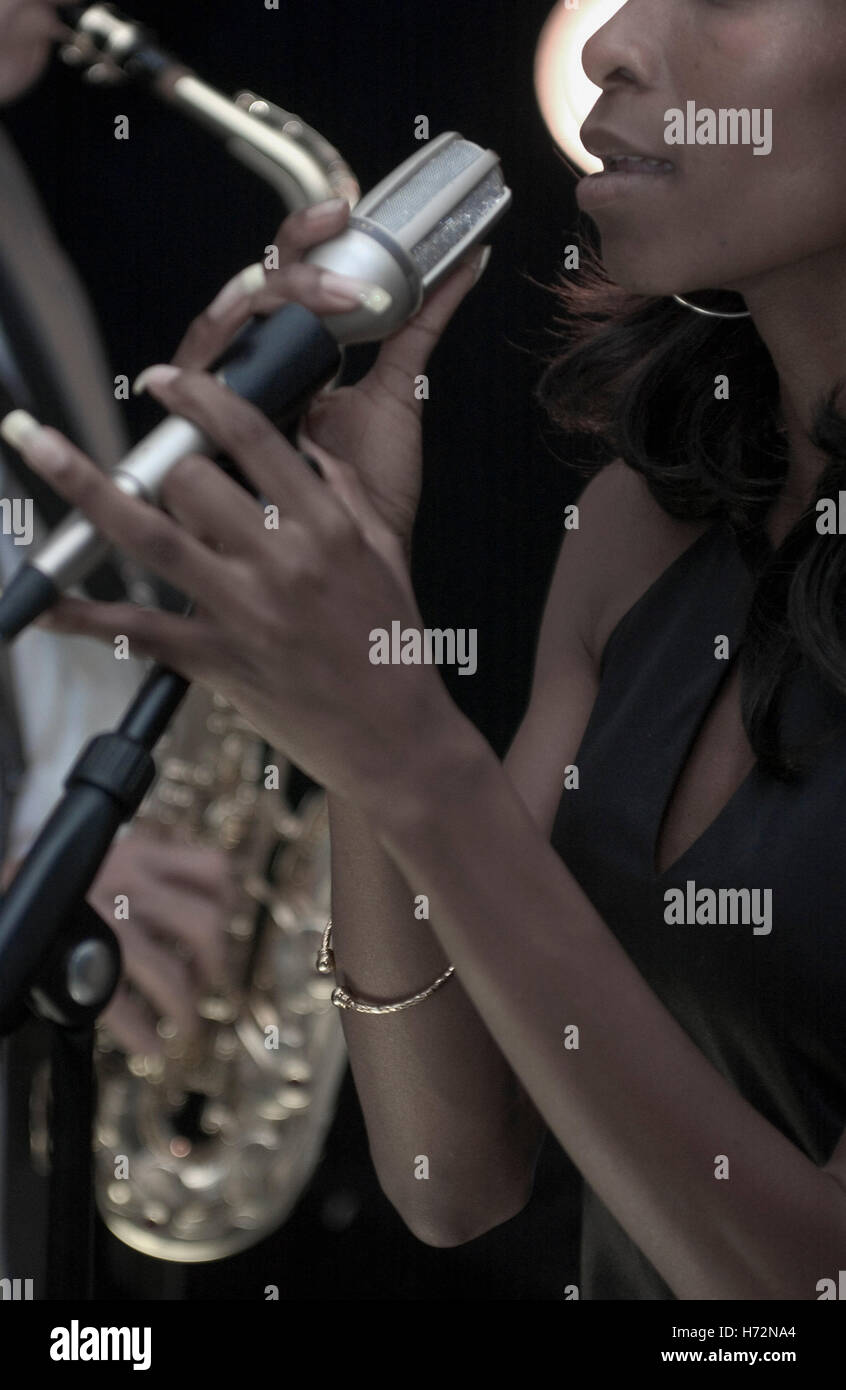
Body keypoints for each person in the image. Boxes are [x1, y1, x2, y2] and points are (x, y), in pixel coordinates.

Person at [7, 0, 845, 1302]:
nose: (607, 45)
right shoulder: (644, 521)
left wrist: (407, 749)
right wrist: (364, 618)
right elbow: (452, 1171)